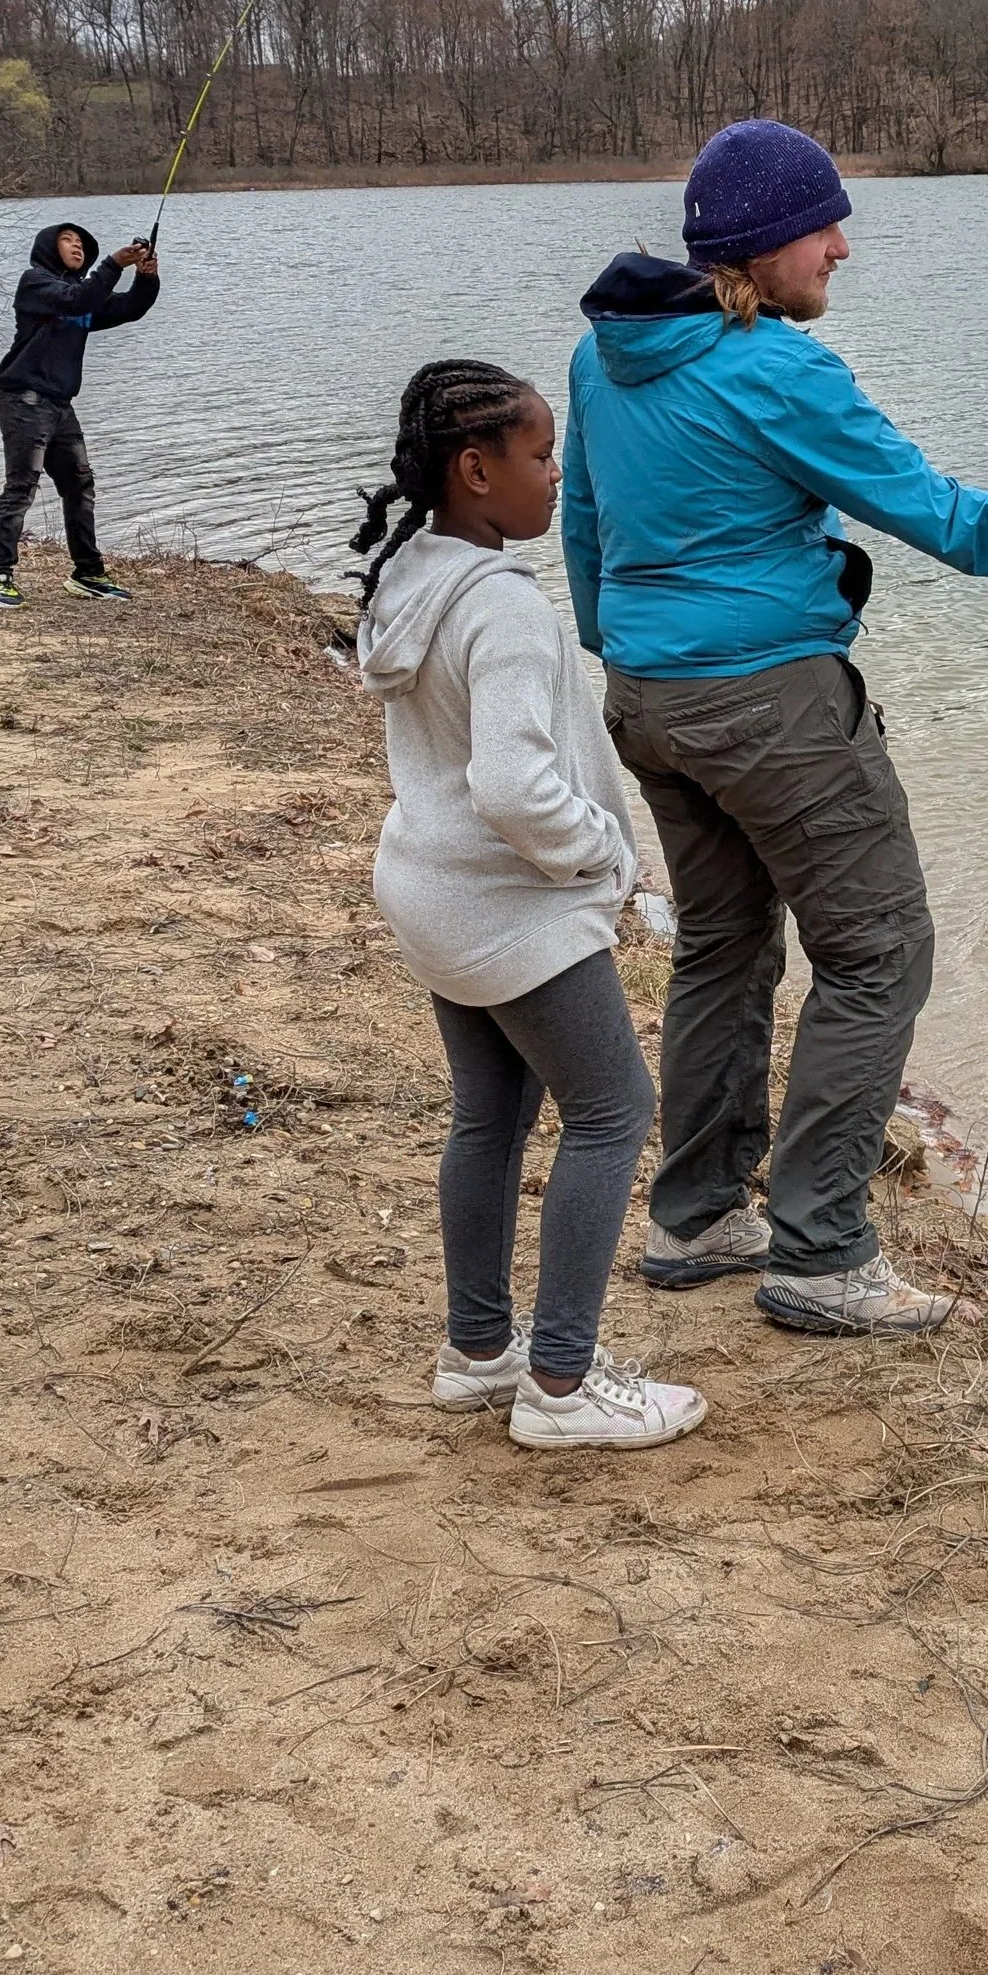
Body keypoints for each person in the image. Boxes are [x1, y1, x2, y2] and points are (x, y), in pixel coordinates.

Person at [564, 118, 988, 1340]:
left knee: (723, 944)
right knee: (878, 953)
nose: (844, 247)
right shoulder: (776, 371)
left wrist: (631, 653)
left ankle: (696, 1215)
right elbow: (952, 523)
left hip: (649, 701)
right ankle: (819, 1251)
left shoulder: (607, 356)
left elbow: (586, 532)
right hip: (770, 704)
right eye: (825, 224)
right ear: (761, 246)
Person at [354, 355, 704, 1453]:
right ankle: (559, 1381)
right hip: (507, 905)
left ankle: (478, 1350)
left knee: (489, 1114)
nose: (558, 476)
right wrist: (604, 855)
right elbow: (511, 783)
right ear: (475, 468)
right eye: (542, 456)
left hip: (431, 888)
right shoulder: (499, 603)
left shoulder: (413, 568)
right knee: (614, 1110)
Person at [0, 220, 161, 608]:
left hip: (60, 405)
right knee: (22, 486)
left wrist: (146, 278)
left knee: (79, 485)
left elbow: (127, 308)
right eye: (67, 240)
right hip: (23, 399)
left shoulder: (82, 296)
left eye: (82, 243)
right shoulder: (35, 283)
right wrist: (113, 263)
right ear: (48, 247)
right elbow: (75, 300)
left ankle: (88, 573)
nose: (77, 246)